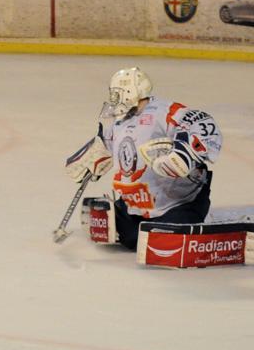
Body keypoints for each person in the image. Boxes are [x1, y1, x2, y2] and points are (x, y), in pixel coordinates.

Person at [66, 68, 222, 251]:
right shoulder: (120, 121)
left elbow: (203, 123)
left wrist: (184, 153)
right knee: (133, 239)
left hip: (179, 204)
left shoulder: (164, 111)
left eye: (117, 93)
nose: (114, 99)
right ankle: (127, 219)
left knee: (164, 239)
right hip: (137, 207)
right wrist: (93, 155)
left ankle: (195, 233)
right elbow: (106, 146)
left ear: (131, 91)